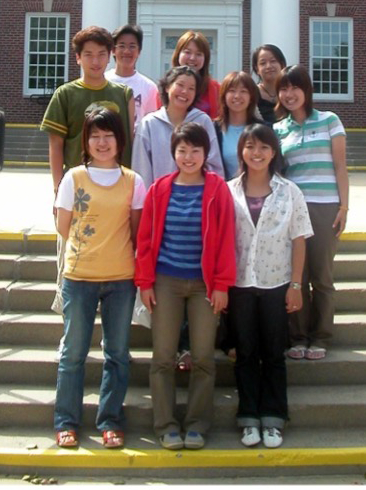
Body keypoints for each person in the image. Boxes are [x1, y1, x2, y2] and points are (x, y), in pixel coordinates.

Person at [135, 121, 237, 451]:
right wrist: (145, 282)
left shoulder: (217, 189)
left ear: (206, 153)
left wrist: (222, 285)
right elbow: (146, 240)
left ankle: (196, 424)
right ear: (173, 153)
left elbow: (225, 241)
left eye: (195, 150)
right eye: (182, 150)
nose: (189, 156)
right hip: (166, 281)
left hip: (204, 284)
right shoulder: (160, 189)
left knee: (204, 357)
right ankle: (165, 425)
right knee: (163, 356)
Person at [52, 105, 146, 450]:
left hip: (121, 277)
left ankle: (110, 420)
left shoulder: (133, 181)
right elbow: (63, 227)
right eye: (95, 136)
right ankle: (66, 421)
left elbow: (136, 231)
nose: (102, 142)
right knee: (73, 353)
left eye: (109, 136)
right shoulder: (73, 178)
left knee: (118, 353)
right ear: (86, 141)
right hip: (79, 276)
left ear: (120, 141)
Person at [227, 123, 313, 449]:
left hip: (277, 283)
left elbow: (299, 239)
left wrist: (296, 285)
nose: (257, 153)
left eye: (263, 147)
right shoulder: (228, 190)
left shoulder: (289, 191)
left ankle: (274, 418)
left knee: (274, 354)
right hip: (240, 284)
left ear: (273, 152)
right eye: (250, 147)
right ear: (242, 152)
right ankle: (249, 417)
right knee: (246, 353)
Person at [274, 65, 349, 361]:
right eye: (283, 88)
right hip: (292, 210)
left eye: (295, 87)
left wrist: (344, 206)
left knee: (322, 276)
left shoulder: (330, 121)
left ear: (306, 90)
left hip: (325, 206)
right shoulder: (279, 129)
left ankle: (321, 336)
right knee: (296, 277)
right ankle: (298, 336)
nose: (289, 94)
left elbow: (341, 167)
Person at [41, 26, 135, 193]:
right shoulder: (65, 94)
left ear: (109, 56)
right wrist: (58, 188)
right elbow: (56, 145)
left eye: (101, 54)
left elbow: (129, 140)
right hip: (78, 184)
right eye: (88, 55)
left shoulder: (124, 94)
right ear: (78, 57)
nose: (95, 62)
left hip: (117, 183)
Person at [133, 66, 223, 185]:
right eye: (180, 85)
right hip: (159, 198)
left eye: (191, 88)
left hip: (198, 197)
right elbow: (141, 169)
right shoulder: (149, 124)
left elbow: (214, 164)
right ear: (167, 87)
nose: (185, 92)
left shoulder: (203, 121)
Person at [106, 24, 160, 128]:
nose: (127, 51)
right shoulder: (103, 81)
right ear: (113, 50)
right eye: (121, 46)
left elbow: (152, 125)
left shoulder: (149, 87)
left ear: (139, 51)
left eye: (132, 46)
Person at [216, 71, 264, 180]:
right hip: (226, 192)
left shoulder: (263, 129)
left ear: (251, 97)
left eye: (243, 91)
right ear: (224, 96)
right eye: (232, 91)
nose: (237, 96)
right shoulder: (214, 129)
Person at [171, 31, 222, 120]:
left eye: (199, 54)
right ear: (178, 54)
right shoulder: (165, 89)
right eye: (187, 52)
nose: (192, 58)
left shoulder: (216, 89)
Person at [252, 44, 287, 123]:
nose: (268, 66)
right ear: (257, 69)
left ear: (282, 65)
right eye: (263, 63)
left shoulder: (290, 92)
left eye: (273, 61)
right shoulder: (251, 94)